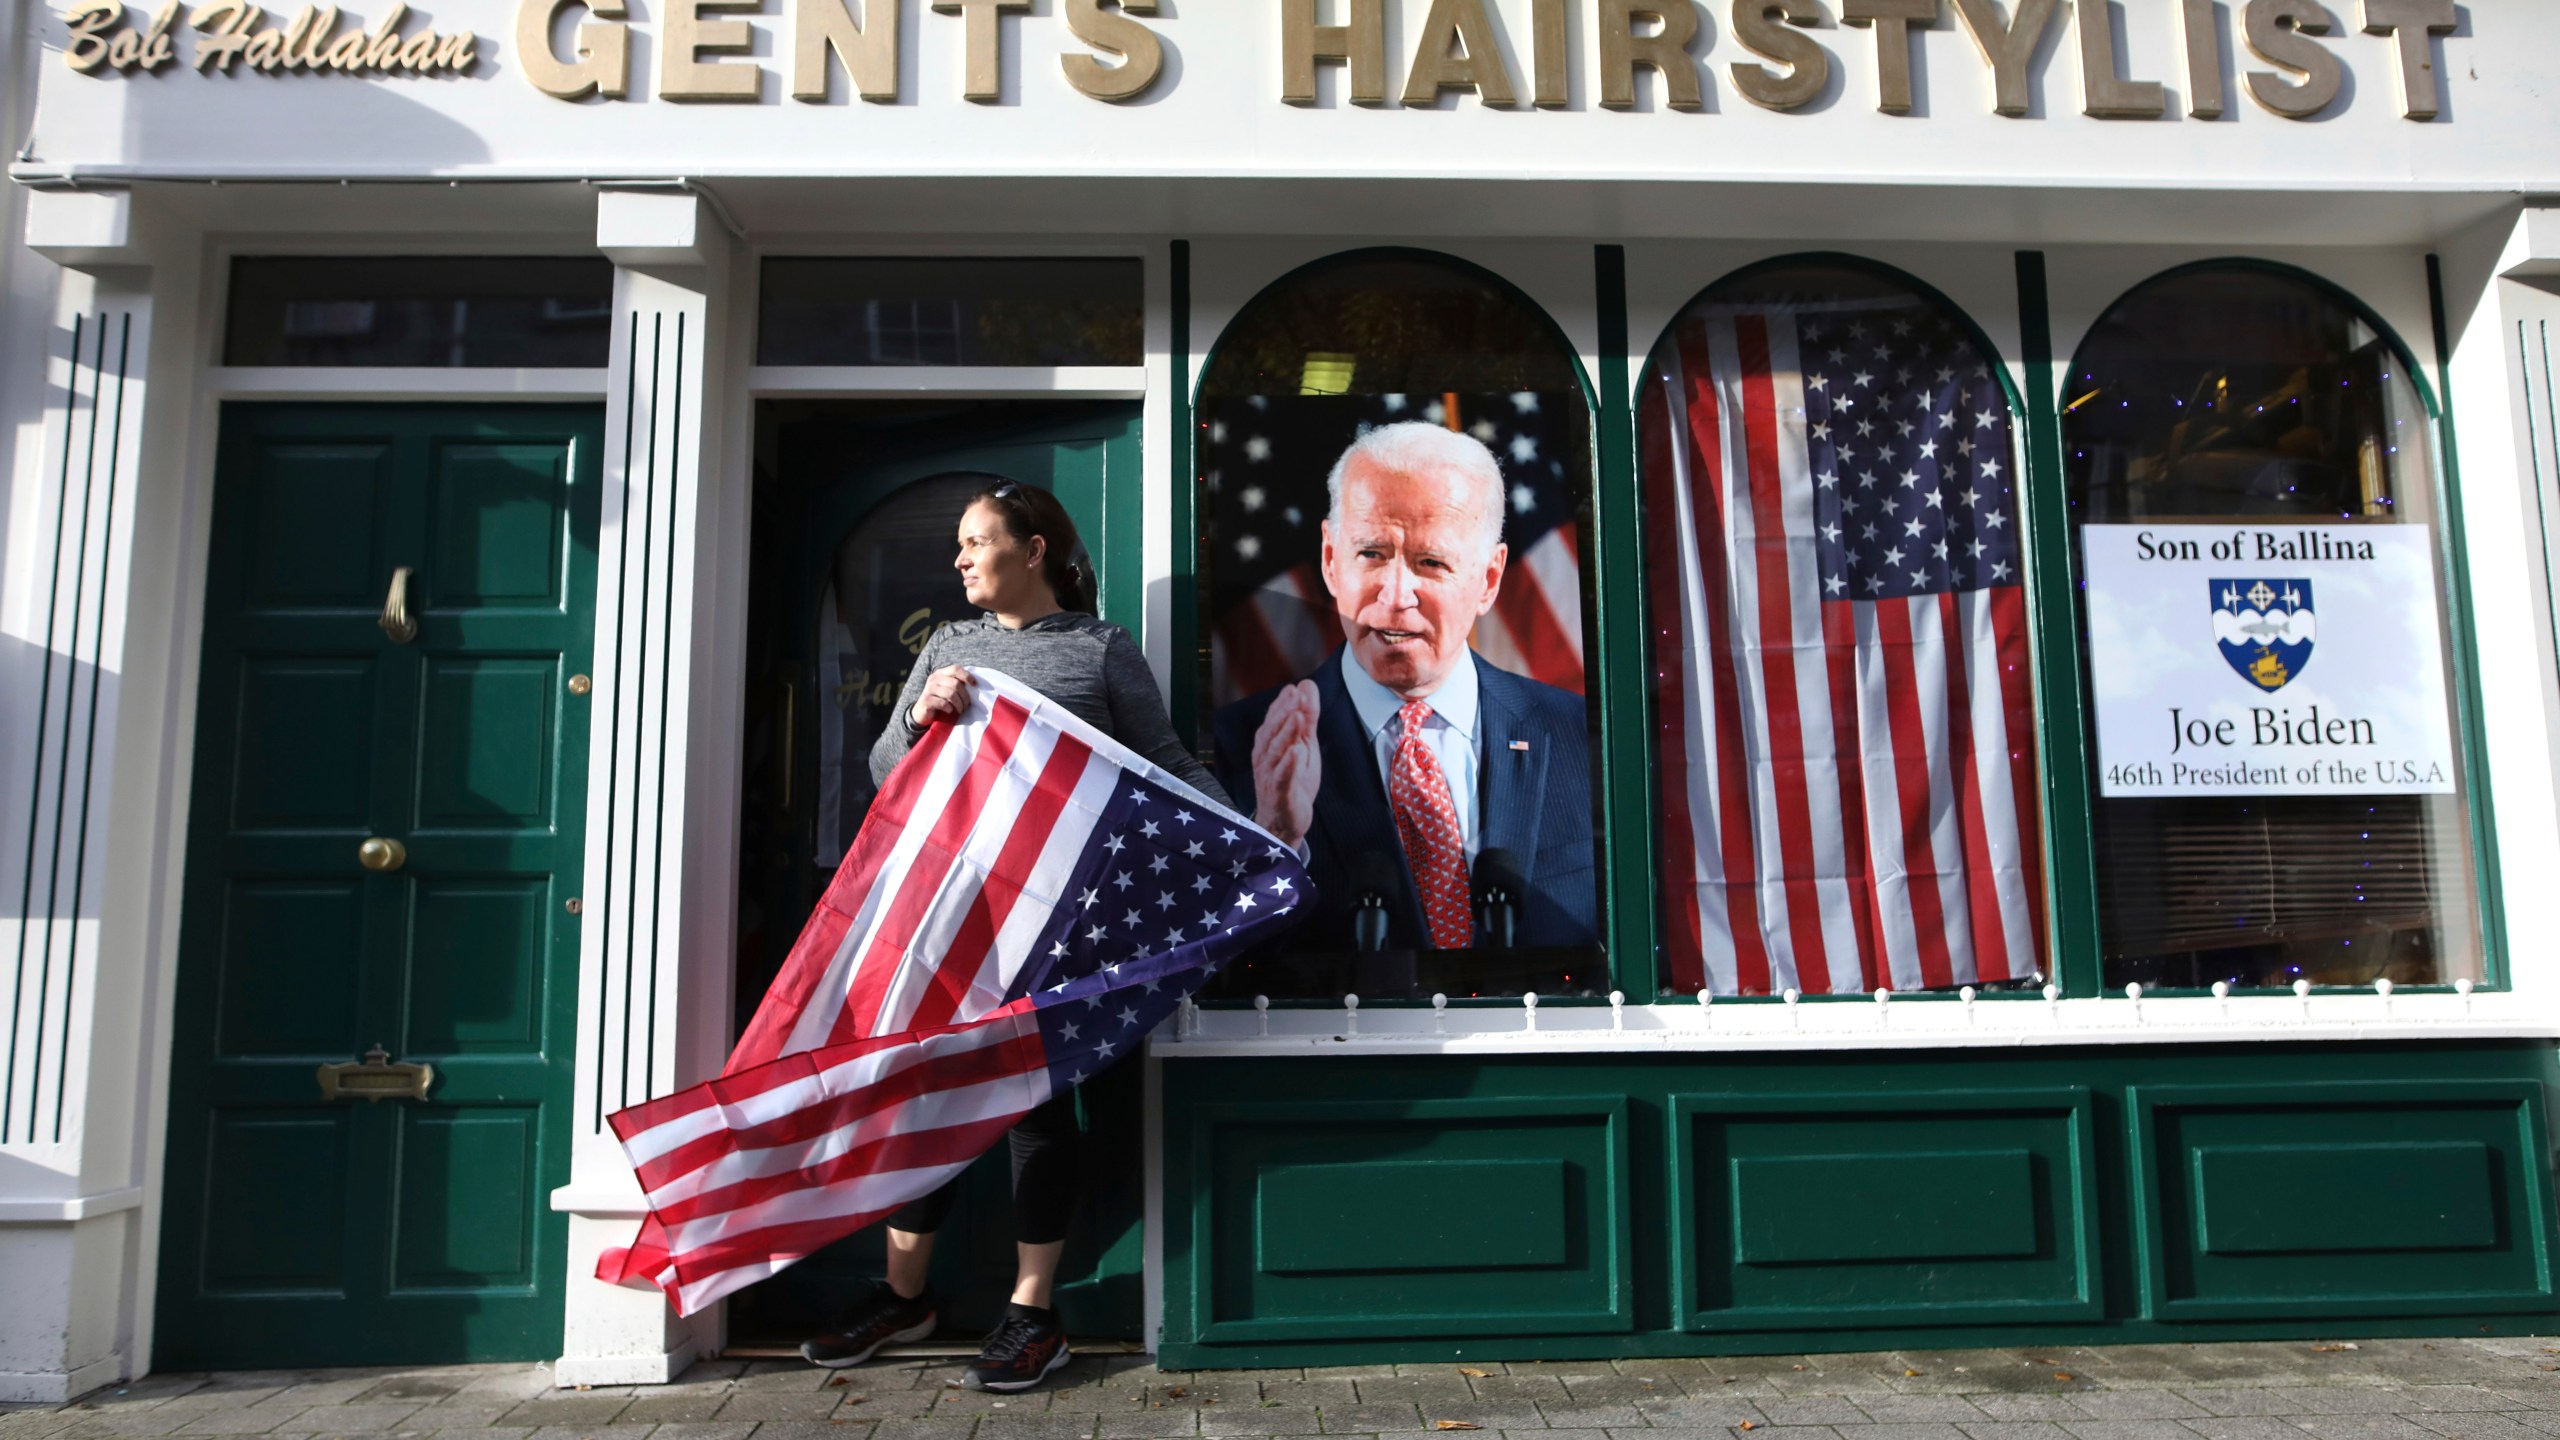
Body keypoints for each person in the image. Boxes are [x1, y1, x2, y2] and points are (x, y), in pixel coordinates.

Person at [799, 479, 1228, 1392]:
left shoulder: (1102, 649)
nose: (958, 559)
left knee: (1031, 1105)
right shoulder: (948, 647)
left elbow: (1165, 761)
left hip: (1062, 922)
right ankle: (904, 1296)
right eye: (956, 544)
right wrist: (923, 714)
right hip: (951, 919)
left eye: (975, 541)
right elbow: (885, 773)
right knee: (928, 1091)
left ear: (1033, 551)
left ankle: (1034, 1312)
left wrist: (1250, 840)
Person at [1213, 422, 1596, 956]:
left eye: (1430, 563)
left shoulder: (1581, 737)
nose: (1396, 596)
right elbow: (1209, 967)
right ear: (1330, 560)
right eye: (1371, 554)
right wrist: (1276, 837)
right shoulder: (1233, 749)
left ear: (1488, 580)